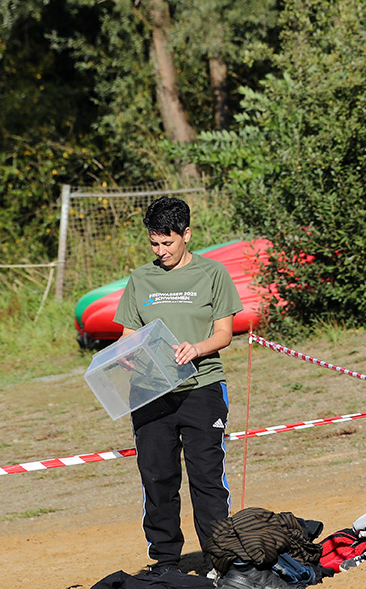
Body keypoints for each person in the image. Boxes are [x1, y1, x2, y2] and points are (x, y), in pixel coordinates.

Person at [114, 196, 241, 575]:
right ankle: (165, 561)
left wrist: (195, 348)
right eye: (154, 243)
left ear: (186, 234)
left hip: (201, 386)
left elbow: (224, 333)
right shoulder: (140, 278)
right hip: (151, 393)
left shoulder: (213, 274)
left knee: (206, 477)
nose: (160, 250)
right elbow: (128, 333)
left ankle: (219, 558)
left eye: (167, 242)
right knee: (158, 477)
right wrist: (123, 352)